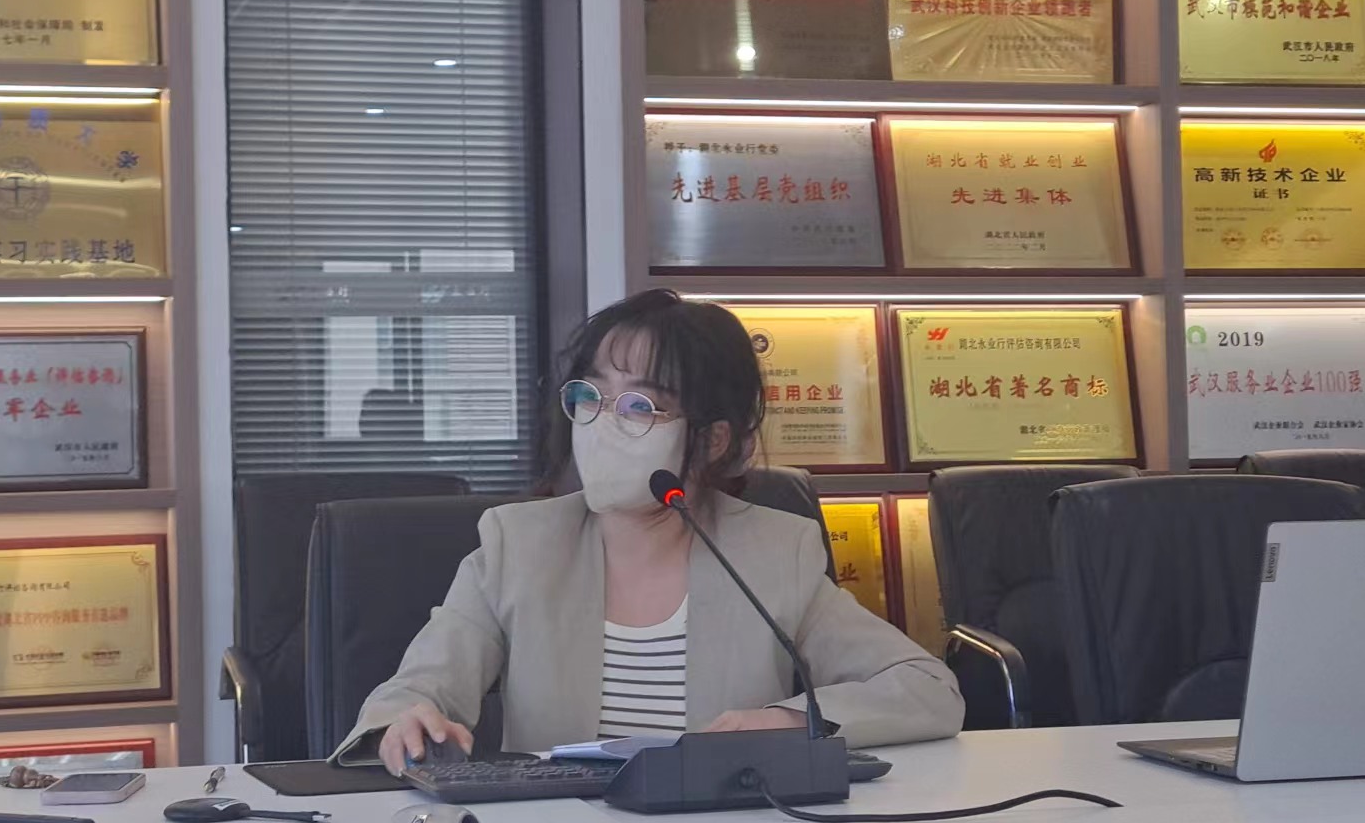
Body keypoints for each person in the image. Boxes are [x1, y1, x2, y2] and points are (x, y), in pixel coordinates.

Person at [333, 290, 963, 771]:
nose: (603, 422)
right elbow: (415, 691)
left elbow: (928, 688)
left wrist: (791, 720)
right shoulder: (516, 544)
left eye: (640, 406)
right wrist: (408, 721)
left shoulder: (773, 551)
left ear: (711, 440)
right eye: (591, 395)